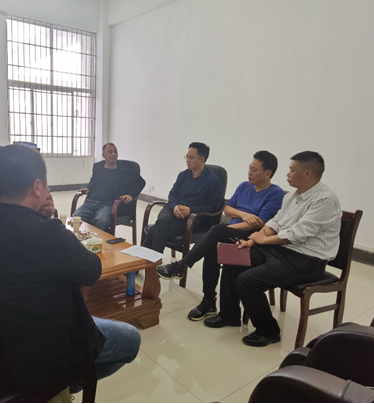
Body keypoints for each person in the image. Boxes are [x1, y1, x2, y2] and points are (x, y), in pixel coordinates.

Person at [0, 144, 141, 396]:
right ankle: (66, 382)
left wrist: (40, 218)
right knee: (131, 339)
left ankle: (66, 382)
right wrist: (48, 222)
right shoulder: (47, 234)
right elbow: (92, 271)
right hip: (42, 348)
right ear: (37, 187)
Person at [204, 151, 341, 348]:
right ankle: (229, 315)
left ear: (308, 173)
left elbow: (297, 233)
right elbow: (276, 222)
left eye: (292, 170)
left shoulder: (324, 200)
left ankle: (269, 331)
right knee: (234, 257)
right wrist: (254, 240)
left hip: (308, 261)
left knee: (248, 280)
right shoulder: (293, 195)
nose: (287, 174)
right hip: (283, 250)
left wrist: (263, 240)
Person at [157, 151, 285, 321]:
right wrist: (244, 214)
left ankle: (182, 266)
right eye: (249, 168)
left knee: (216, 232)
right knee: (212, 247)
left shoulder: (275, 193)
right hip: (231, 232)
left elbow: (259, 223)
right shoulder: (244, 186)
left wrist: (228, 228)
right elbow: (228, 209)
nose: (249, 173)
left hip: (251, 236)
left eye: (254, 170)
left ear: (268, 173)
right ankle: (208, 301)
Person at [144, 142, 224, 253]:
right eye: (186, 157)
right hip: (173, 209)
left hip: (192, 218)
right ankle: (151, 261)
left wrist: (190, 210)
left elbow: (214, 207)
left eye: (191, 158)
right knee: (162, 221)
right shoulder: (183, 175)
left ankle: (147, 260)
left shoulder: (213, 181)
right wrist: (175, 206)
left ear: (202, 159)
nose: (187, 160)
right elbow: (172, 194)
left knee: (156, 229)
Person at [72, 143, 145, 231]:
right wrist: (88, 188)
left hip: (108, 204)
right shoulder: (97, 166)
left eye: (115, 152)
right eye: (110, 152)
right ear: (103, 155)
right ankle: (81, 239)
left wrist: (131, 195)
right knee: (75, 219)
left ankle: (98, 238)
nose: (113, 154)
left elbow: (141, 182)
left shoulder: (124, 171)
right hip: (90, 202)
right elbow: (93, 180)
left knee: (101, 221)